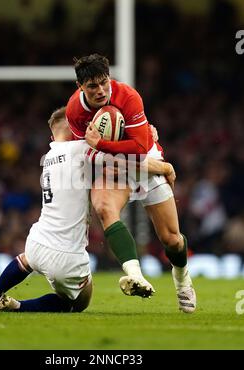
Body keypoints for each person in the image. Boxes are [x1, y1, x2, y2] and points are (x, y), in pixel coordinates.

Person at [0, 106, 176, 313]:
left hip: (37, 240)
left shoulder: (49, 156)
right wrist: (164, 164)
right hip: (67, 255)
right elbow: (126, 161)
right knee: (77, 302)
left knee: (26, 260)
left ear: (53, 134)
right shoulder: (81, 150)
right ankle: (17, 306)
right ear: (76, 127)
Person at [66, 54, 196, 313]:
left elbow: (138, 147)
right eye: (92, 86)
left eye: (104, 82)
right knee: (103, 206)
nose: (101, 90)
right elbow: (86, 153)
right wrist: (104, 153)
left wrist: (102, 145)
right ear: (80, 86)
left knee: (172, 240)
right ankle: (135, 274)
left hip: (145, 158)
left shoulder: (128, 96)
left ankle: (182, 280)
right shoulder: (75, 110)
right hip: (113, 165)